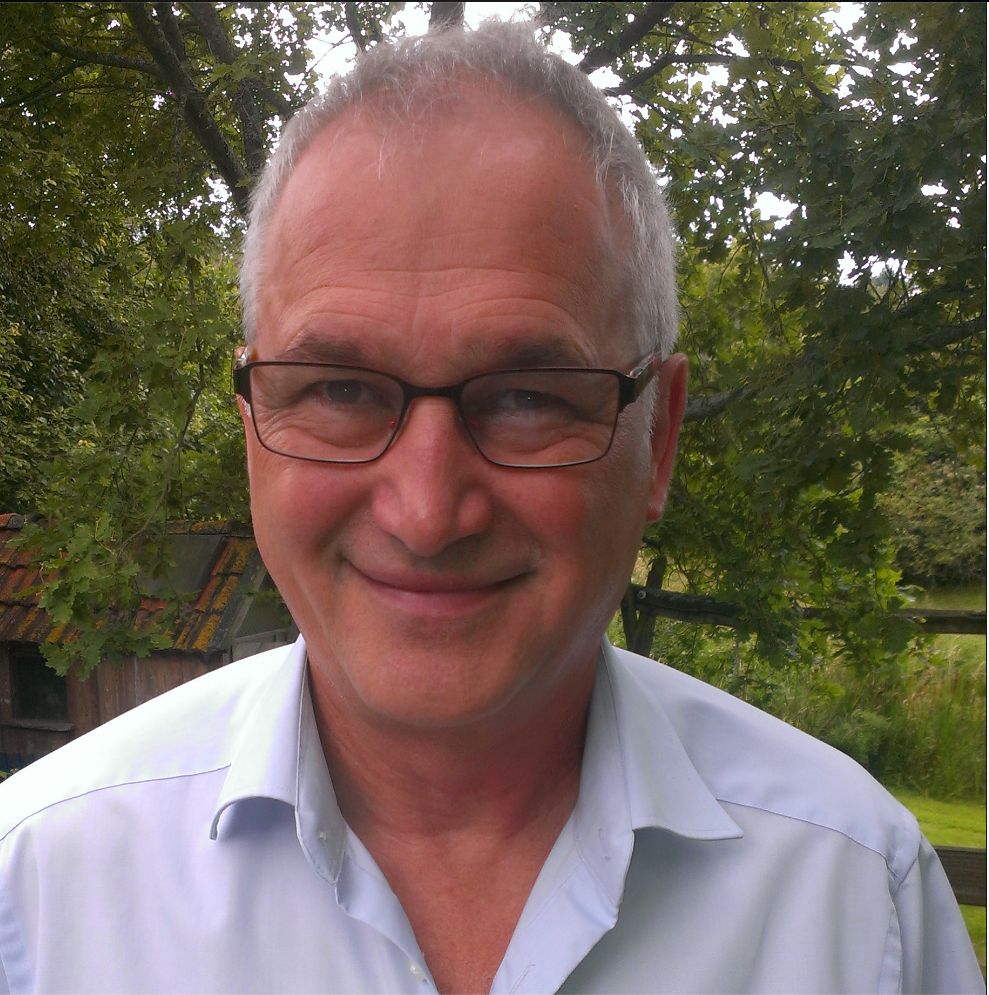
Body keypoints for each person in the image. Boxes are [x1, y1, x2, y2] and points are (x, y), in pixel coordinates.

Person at [0, 21, 982, 995]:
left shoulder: (853, 900)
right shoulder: (36, 892)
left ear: (658, 439)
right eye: (339, 389)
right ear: (252, 422)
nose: (427, 514)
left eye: (526, 398)